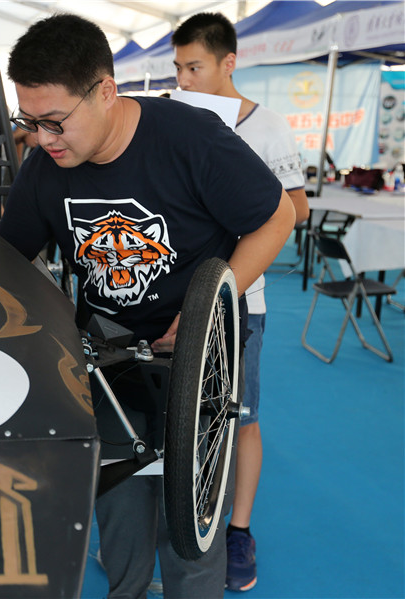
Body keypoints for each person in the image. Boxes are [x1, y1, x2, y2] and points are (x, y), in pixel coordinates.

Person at [0, 13, 295, 599]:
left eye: (55, 122)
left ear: (105, 90)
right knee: (120, 508)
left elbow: (276, 217)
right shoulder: (45, 169)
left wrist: (213, 307)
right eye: (29, 123)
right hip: (110, 355)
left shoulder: (189, 139)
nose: (43, 139)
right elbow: (7, 258)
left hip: (199, 357)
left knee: (192, 531)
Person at [171, 12, 309, 593]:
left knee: (240, 418)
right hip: (175, 297)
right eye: (178, 68)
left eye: (194, 67)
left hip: (241, 302)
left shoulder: (268, 127)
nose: (184, 78)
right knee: (175, 416)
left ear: (229, 63)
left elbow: (297, 211)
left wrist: (244, 198)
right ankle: (173, 518)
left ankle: (238, 529)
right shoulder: (173, 121)